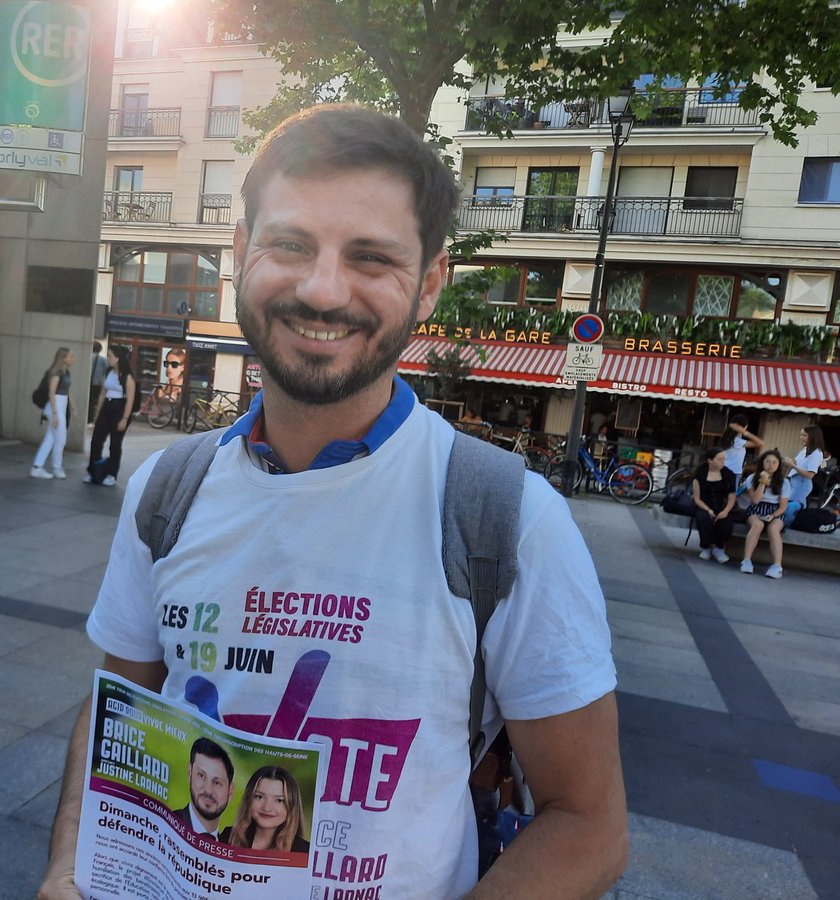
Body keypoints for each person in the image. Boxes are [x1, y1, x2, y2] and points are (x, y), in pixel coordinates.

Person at [38, 105, 626, 900]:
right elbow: (122, 706)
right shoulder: (166, 489)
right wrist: (70, 867)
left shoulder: (507, 520)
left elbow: (586, 823)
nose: (322, 290)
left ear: (428, 285)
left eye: (371, 258)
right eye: (289, 245)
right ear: (240, 252)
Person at [222, 766, 309, 853]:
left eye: (279, 800)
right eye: (259, 797)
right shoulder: (228, 836)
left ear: (292, 807)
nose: (267, 808)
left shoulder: (303, 850)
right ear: (248, 800)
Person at [84, 345, 135, 487]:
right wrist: (97, 413)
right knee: (96, 441)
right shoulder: (108, 372)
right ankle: (92, 471)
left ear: (118, 358)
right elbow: (102, 393)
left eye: (110, 356)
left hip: (119, 408)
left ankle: (112, 474)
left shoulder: (128, 377)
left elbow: (130, 399)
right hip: (107, 405)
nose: (108, 359)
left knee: (115, 444)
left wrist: (124, 419)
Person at [738, 449, 789, 578]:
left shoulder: (784, 482)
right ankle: (747, 561)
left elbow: (783, 506)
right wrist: (763, 482)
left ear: (778, 465)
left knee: (773, 528)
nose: (771, 465)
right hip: (757, 508)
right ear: (762, 463)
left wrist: (772, 515)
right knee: (757, 525)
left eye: (774, 462)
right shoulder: (751, 478)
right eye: (767, 462)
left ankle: (777, 566)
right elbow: (755, 500)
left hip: (775, 510)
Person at [170, 737, 234, 839]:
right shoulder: (168, 824)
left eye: (217, 783)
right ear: (190, 773)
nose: (208, 790)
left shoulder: (232, 843)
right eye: (201, 776)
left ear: (230, 791)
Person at [32, 347, 75, 479]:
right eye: (71, 356)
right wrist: (56, 414)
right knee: (60, 439)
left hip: (59, 408)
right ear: (63, 358)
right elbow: (52, 393)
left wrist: (73, 407)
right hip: (55, 409)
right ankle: (57, 468)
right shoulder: (56, 373)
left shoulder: (65, 372)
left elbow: (67, 391)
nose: (73, 358)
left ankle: (37, 466)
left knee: (50, 438)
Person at [691, 447, 737, 563]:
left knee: (726, 523)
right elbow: (697, 498)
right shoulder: (700, 475)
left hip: (722, 506)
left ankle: (719, 548)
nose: (723, 462)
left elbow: (732, 496)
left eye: (724, 459)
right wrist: (708, 509)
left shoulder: (728, 474)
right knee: (703, 519)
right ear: (710, 460)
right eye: (719, 459)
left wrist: (726, 511)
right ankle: (706, 547)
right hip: (704, 504)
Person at [781, 424, 824, 507]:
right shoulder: (805, 449)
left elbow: (810, 475)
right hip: (794, 481)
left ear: (813, 437)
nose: (801, 438)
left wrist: (793, 465)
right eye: (801, 435)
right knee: (787, 505)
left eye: (804, 435)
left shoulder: (816, 453)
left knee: (791, 507)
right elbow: (797, 463)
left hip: (802, 484)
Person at [724, 414, 763, 492]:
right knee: (730, 496)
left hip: (727, 470)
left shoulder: (730, 439)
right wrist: (744, 432)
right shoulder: (737, 441)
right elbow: (760, 443)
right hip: (732, 473)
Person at [88, 341, 108, 422]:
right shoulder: (103, 360)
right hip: (98, 383)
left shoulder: (87, 357)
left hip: (88, 383)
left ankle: (88, 417)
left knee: (89, 401)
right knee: (95, 402)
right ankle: (93, 417)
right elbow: (106, 371)